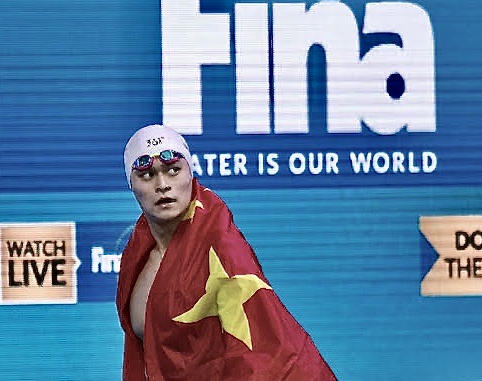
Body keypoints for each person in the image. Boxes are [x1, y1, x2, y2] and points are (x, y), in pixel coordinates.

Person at [116, 124, 337, 380]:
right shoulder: (136, 256)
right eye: (147, 175)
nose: (163, 184)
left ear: (191, 174)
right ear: (130, 185)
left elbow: (265, 354)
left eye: (173, 170)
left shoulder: (220, 247)